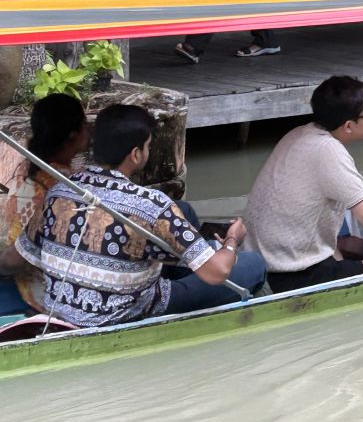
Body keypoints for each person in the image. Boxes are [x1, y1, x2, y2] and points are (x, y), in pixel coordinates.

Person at [14, 104, 265, 327]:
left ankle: (202, 255)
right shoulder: (151, 205)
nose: (147, 151)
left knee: (187, 222)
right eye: (147, 146)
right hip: (126, 311)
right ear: (136, 154)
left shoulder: (59, 191)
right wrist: (232, 240)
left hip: (62, 309)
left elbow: (31, 252)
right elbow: (218, 273)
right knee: (253, 265)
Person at [239, 76, 363, 291]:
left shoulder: (297, 133)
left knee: (357, 250)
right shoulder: (328, 150)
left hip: (260, 260)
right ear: (349, 126)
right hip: (291, 273)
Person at [0, 95, 89, 317]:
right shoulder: (64, 187)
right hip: (44, 290)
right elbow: (16, 257)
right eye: (84, 124)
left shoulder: (28, 168)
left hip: (26, 279)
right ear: (73, 134)